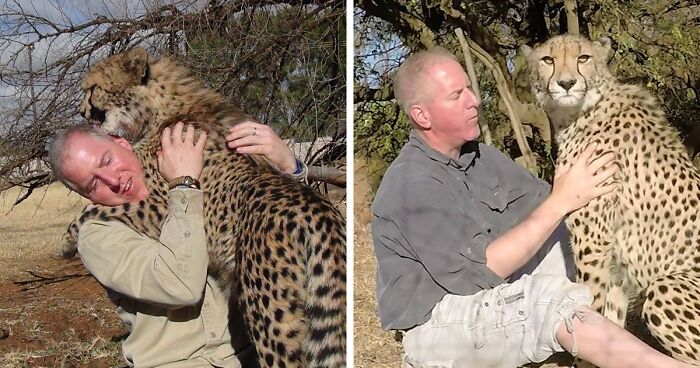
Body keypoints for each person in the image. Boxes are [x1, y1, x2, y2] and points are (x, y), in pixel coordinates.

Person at [371, 47, 696, 368]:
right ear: (421, 115)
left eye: (470, 87)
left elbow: (561, 220)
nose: (475, 100)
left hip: (496, 290)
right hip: (441, 322)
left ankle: (602, 346)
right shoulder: (411, 184)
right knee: (551, 301)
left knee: (584, 247)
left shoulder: (479, 157)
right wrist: (562, 199)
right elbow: (480, 271)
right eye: (457, 95)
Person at [47, 120, 306, 368]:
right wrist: (183, 185)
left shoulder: (191, 166)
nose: (112, 180)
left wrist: (289, 167)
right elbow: (180, 286)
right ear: (85, 196)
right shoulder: (98, 233)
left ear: (122, 142)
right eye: (93, 184)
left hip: (253, 353)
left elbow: (285, 234)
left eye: (107, 160)